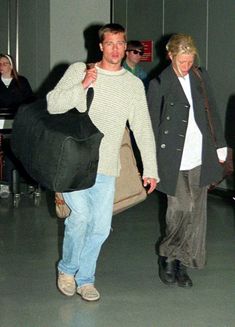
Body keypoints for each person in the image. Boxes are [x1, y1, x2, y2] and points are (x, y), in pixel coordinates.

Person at [47, 23, 159, 302]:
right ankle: (68, 270)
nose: (116, 49)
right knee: (81, 218)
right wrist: (83, 86)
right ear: (100, 46)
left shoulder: (133, 85)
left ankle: (86, 279)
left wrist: (152, 169)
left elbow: (142, 127)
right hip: (75, 164)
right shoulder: (80, 70)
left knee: (100, 228)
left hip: (107, 166)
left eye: (120, 43)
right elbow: (52, 104)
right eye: (110, 43)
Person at [147, 34, 227, 288]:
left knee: (196, 212)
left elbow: (212, 109)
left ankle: (181, 262)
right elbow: (150, 125)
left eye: (190, 60)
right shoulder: (159, 83)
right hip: (172, 157)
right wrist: (150, 163)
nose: (186, 65)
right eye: (182, 61)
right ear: (170, 56)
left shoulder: (200, 76)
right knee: (179, 210)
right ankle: (168, 257)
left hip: (199, 154)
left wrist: (221, 145)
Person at [0, 54, 34, 197]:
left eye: (5, 63)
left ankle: (30, 182)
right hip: (1, 122)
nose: (2, 66)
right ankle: (5, 184)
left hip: (18, 122)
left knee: (17, 150)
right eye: (0, 64)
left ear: (11, 66)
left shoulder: (22, 82)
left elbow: (30, 101)